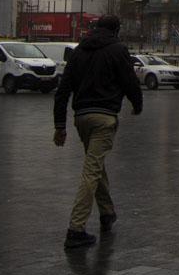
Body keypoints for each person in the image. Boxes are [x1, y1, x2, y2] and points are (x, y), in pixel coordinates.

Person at [53, 15, 143, 249]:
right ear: (116, 29)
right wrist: (137, 105)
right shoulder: (117, 49)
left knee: (96, 163)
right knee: (92, 170)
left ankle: (107, 213)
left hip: (81, 118)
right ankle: (76, 228)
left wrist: (59, 125)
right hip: (104, 117)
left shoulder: (79, 51)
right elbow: (130, 82)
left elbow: (63, 90)